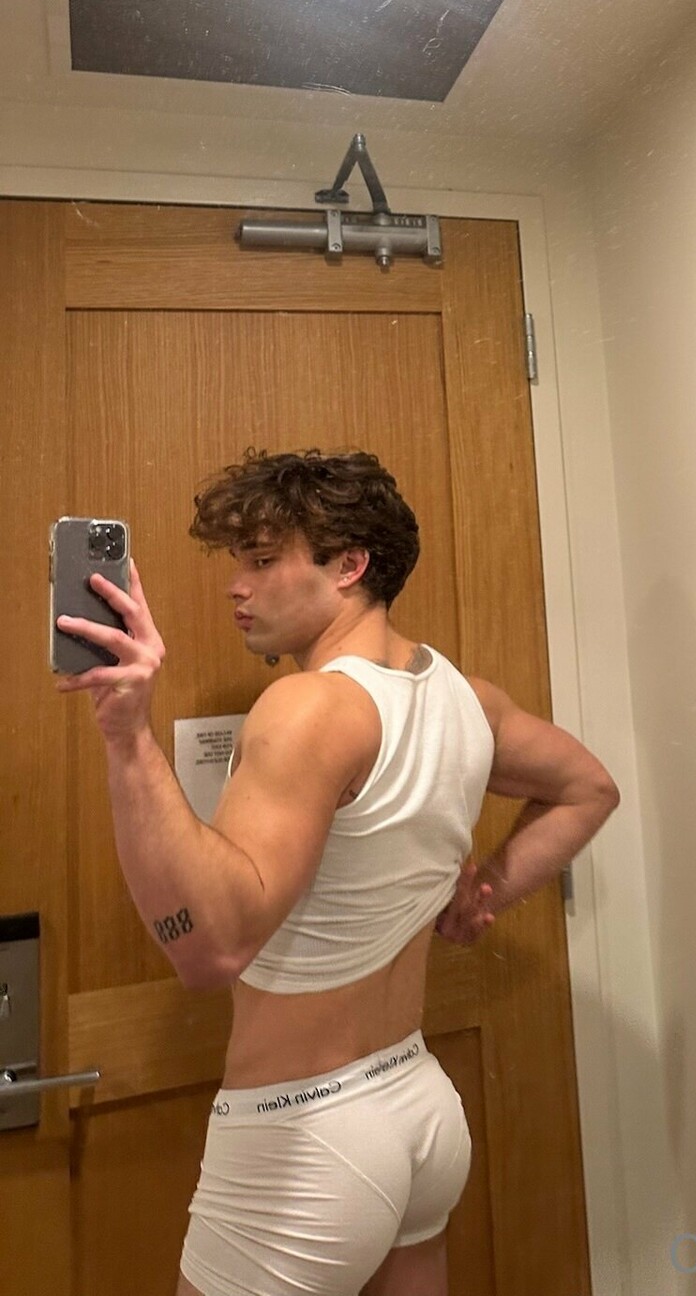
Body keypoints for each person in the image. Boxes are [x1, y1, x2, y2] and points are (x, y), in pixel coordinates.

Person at [53, 446, 621, 1296]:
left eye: (261, 561)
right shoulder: (463, 697)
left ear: (349, 565)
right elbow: (589, 788)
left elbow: (209, 950)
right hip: (418, 1107)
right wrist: (485, 891)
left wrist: (127, 734)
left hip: (305, 1133)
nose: (236, 587)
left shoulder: (311, 706)